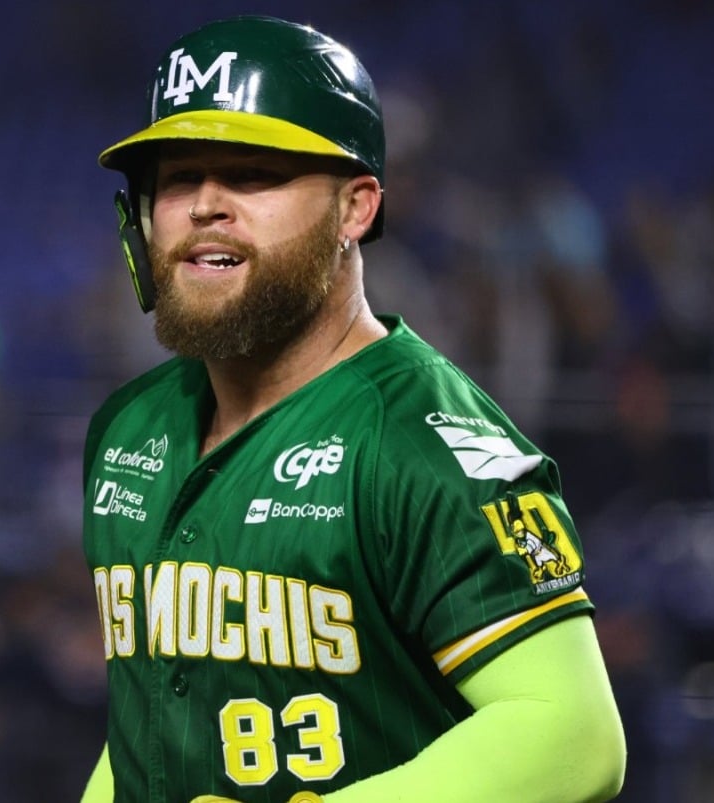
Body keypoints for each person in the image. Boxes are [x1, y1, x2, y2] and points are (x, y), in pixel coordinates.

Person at [80, 15, 626, 803]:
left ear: (356, 209)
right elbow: (142, 733)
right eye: (176, 178)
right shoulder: (128, 429)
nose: (204, 205)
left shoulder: (427, 440)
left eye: (253, 174)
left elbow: (573, 734)